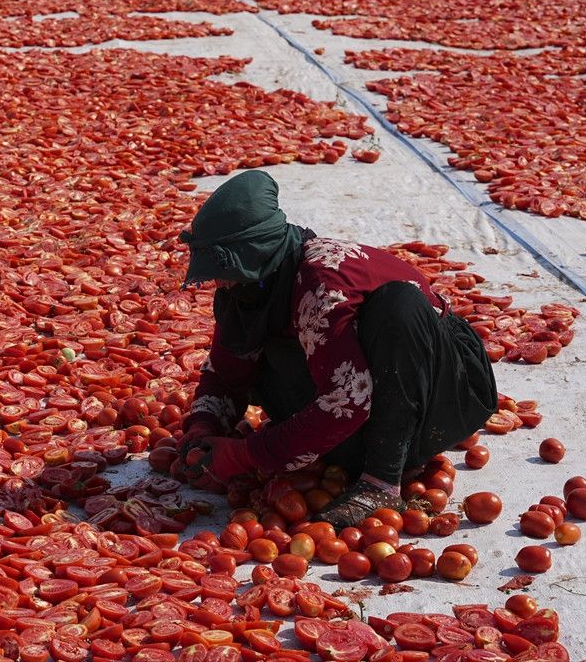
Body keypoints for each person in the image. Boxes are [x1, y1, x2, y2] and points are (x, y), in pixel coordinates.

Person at [175, 171, 495, 528]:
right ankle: (353, 457)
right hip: (359, 406)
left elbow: (348, 400)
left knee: (398, 305)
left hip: (440, 396)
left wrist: (246, 454)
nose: (220, 282)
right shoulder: (247, 289)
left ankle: (382, 480)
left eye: (226, 271)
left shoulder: (321, 281)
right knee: (261, 337)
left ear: (256, 256)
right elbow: (225, 371)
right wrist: (203, 428)